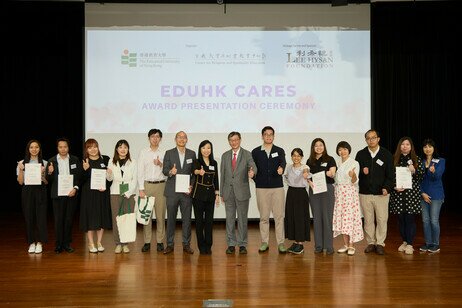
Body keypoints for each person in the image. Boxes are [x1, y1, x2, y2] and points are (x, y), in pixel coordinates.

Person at [355, 129, 394, 255]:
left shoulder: (386, 154)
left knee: (382, 219)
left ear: (378, 139)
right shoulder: (360, 154)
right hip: (365, 193)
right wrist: (362, 172)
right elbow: (354, 174)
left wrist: (386, 187)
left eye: (373, 138)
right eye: (368, 138)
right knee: (368, 220)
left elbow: (391, 175)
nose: (371, 140)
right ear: (366, 140)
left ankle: (380, 243)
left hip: (381, 194)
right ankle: (371, 242)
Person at [252, 126, 287, 253]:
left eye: (270, 134)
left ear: (274, 136)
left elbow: (283, 163)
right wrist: (254, 178)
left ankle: (281, 243)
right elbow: (252, 168)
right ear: (262, 136)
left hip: (277, 187)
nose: (268, 136)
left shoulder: (279, 150)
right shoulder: (256, 152)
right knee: (264, 217)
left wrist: (281, 169)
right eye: (266, 134)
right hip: (261, 188)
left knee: (279, 217)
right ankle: (264, 242)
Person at [221, 131, 257, 254]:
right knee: (229, 219)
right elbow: (223, 175)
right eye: (231, 140)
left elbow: (252, 166)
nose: (234, 142)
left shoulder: (247, 154)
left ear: (240, 140)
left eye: (236, 140)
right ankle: (231, 244)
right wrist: (221, 193)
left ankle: (242, 244)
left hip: (242, 192)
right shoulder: (225, 155)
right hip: (228, 192)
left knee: (242, 219)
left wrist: (252, 172)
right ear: (229, 142)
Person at [162, 131, 196, 254]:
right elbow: (164, 170)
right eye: (179, 137)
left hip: (186, 192)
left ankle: (186, 244)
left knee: (187, 219)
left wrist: (191, 185)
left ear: (187, 140)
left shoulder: (192, 154)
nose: (181, 139)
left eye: (184, 137)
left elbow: (194, 173)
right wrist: (171, 171)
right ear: (175, 139)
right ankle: (170, 244)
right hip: (172, 192)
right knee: (171, 219)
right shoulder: (169, 153)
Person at [389, 137, 424, 255]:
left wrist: (414, 170)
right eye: (402, 144)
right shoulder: (394, 160)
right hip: (398, 194)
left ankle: (410, 244)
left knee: (410, 219)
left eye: (407, 144)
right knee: (401, 220)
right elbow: (389, 177)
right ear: (399, 146)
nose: (405, 146)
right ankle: (404, 241)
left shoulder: (417, 160)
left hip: (411, 195)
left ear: (411, 146)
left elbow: (421, 177)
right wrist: (394, 186)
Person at [47, 137, 82, 254]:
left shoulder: (74, 159)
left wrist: (75, 188)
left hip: (71, 194)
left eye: (65, 147)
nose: (63, 149)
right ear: (57, 148)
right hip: (57, 195)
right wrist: (50, 172)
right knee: (58, 221)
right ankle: (58, 245)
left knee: (68, 220)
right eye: (60, 147)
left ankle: (67, 244)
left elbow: (78, 177)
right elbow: (48, 180)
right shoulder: (51, 161)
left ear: (68, 147)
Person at [137, 128, 168, 253]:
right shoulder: (143, 152)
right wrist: (141, 189)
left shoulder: (165, 152)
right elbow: (140, 171)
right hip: (147, 185)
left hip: (161, 185)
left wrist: (161, 164)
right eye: (153, 137)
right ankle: (147, 242)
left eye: (157, 136)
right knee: (147, 216)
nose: (155, 139)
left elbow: (168, 172)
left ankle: (160, 241)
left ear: (160, 139)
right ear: (149, 138)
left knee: (160, 215)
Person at [79, 138, 112, 253]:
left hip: (102, 193)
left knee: (101, 216)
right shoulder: (84, 161)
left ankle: (99, 242)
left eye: (95, 146)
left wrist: (107, 181)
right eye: (89, 147)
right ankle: (91, 243)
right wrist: (85, 170)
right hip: (88, 194)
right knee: (90, 217)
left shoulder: (106, 159)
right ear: (86, 150)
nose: (93, 149)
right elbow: (81, 180)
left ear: (98, 147)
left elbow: (109, 180)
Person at [17, 140, 48, 254]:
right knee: (29, 217)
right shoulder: (21, 163)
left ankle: (39, 243)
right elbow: (20, 182)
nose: (34, 149)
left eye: (36, 147)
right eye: (31, 147)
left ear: (39, 149)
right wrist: (20, 169)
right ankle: (31, 243)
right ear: (28, 149)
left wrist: (42, 174)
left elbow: (46, 182)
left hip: (40, 190)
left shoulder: (44, 162)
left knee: (41, 217)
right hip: (27, 191)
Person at [306, 138, 337, 255]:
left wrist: (327, 173)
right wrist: (310, 182)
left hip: (327, 190)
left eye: (321, 145)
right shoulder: (310, 161)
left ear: (324, 147)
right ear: (313, 148)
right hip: (314, 190)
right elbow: (308, 176)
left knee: (327, 218)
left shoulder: (330, 159)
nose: (318, 147)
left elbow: (332, 173)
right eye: (316, 146)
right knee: (317, 218)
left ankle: (329, 246)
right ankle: (318, 246)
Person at [333, 141, 363, 256]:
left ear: (349, 150)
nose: (343, 151)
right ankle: (345, 244)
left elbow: (355, 180)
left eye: (345, 149)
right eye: (340, 149)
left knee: (350, 218)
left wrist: (353, 175)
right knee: (342, 219)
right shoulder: (338, 163)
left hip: (349, 194)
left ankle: (351, 245)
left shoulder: (354, 163)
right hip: (339, 193)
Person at [107, 140, 137, 254]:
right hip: (115, 192)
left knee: (127, 219)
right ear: (117, 149)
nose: (123, 149)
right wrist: (109, 173)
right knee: (116, 219)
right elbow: (109, 179)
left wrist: (129, 192)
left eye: (125, 147)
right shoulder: (111, 161)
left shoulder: (133, 161)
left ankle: (125, 244)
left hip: (129, 193)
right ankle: (118, 243)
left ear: (128, 149)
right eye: (120, 147)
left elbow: (135, 179)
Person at [191, 140, 220, 255]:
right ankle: (201, 246)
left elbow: (216, 179)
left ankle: (208, 245)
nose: (206, 150)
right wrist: (199, 171)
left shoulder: (214, 163)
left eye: (208, 148)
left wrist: (217, 194)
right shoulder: (197, 161)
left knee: (209, 222)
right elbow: (194, 170)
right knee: (199, 222)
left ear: (211, 150)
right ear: (200, 150)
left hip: (210, 196)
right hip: (198, 195)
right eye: (203, 148)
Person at [419, 138, 445, 253]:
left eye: (430, 146)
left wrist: (434, 171)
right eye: (425, 147)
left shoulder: (440, 161)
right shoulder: (420, 161)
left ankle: (436, 244)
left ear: (434, 148)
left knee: (434, 220)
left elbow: (437, 177)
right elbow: (416, 180)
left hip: (436, 195)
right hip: (423, 194)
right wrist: (422, 193)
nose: (427, 149)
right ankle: (428, 243)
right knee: (425, 220)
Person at [284, 148, 310, 255]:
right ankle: (295, 242)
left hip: (301, 194)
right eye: (294, 155)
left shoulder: (305, 167)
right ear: (291, 157)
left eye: (298, 156)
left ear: (302, 157)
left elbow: (306, 172)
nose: (296, 158)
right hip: (291, 193)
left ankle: (300, 244)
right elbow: (286, 178)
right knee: (292, 217)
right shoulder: (289, 167)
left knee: (300, 218)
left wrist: (305, 173)